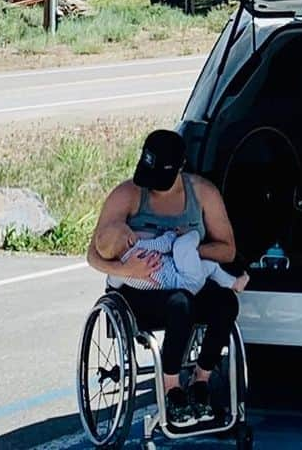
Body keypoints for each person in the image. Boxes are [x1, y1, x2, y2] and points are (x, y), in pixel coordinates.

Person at [87, 129, 241, 431]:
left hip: (187, 273)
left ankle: (201, 379)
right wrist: (127, 271)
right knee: (180, 305)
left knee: (226, 303)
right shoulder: (128, 194)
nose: (152, 185)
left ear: (180, 167)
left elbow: (228, 249)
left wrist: (185, 248)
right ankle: (172, 388)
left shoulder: (202, 193)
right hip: (141, 287)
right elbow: (94, 254)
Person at [99, 227, 249, 295]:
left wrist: (110, 290)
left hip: (173, 290)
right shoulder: (139, 248)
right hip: (183, 278)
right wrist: (172, 234)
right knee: (181, 246)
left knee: (210, 266)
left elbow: (112, 283)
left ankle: (234, 283)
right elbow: (164, 245)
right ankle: (193, 234)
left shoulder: (121, 272)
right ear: (130, 240)